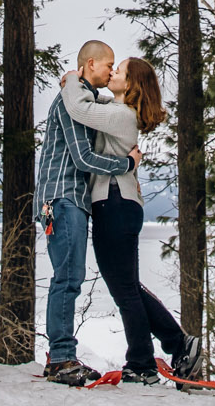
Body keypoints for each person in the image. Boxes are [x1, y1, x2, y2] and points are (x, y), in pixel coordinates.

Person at [60, 55, 204, 386]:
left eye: (119, 71)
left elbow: (81, 109)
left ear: (131, 84)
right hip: (118, 203)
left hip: (116, 203)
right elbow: (92, 102)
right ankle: (178, 344)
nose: (112, 73)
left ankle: (141, 363)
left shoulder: (122, 115)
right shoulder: (119, 111)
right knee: (127, 287)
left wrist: (71, 79)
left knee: (124, 289)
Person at [35, 39, 138, 386]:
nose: (111, 71)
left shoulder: (83, 98)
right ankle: (62, 358)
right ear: (91, 63)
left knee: (69, 274)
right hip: (60, 197)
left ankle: (60, 357)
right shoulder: (71, 100)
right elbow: (82, 158)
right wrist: (125, 164)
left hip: (67, 198)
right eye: (108, 65)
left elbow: (106, 107)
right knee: (68, 275)